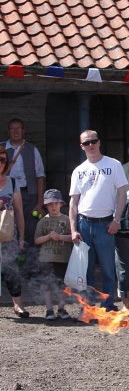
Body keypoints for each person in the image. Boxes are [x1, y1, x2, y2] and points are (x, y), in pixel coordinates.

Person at [69, 130, 128, 311]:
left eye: (93, 141)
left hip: (106, 224)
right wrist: (73, 229)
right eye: (86, 143)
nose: (91, 145)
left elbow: (122, 193)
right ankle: (87, 308)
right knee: (85, 271)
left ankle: (108, 306)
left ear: (99, 142)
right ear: (81, 146)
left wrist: (117, 220)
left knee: (108, 269)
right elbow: (73, 201)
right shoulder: (79, 170)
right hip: (84, 224)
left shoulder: (114, 164)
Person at [1, 118, 45, 246]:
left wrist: (40, 202)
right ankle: (9, 260)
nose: (16, 131)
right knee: (6, 227)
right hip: (6, 195)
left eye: (19, 128)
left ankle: (26, 262)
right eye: (12, 129)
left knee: (30, 230)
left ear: (23, 131)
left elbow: (40, 176)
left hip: (28, 195)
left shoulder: (32, 149)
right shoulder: (1, 149)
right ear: (8, 131)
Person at [34, 189, 73, 320]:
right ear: (46, 206)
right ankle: (49, 310)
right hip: (46, 259)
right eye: (50, 204)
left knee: (63, 284)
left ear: (61, 204)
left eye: (56, 203)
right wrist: (49, 236)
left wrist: (60, 237)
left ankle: (61, 309)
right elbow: (37, 240)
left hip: (63, 258)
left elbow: (73, 237)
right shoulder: (42, 221)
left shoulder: (67, 219)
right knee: (47, 284)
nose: (53, 206)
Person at [0, 145, 27, 317]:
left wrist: (22, 238)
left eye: (2, 159)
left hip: (9, 234)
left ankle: (18, 305)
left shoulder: (13, 182)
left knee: (11, 269)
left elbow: (19, 211)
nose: (0, 163)